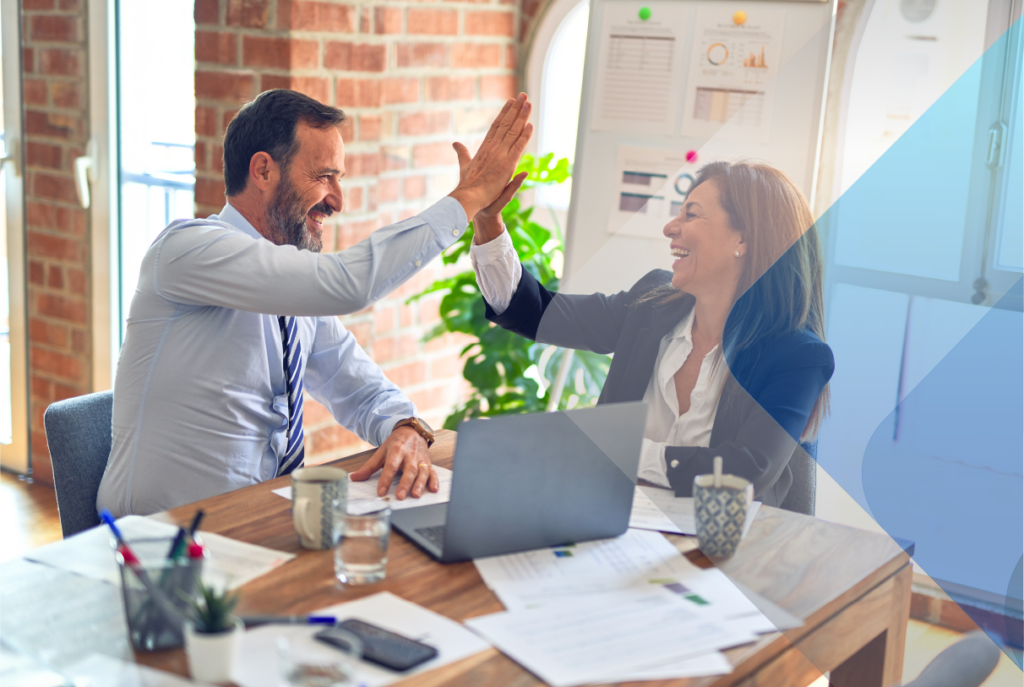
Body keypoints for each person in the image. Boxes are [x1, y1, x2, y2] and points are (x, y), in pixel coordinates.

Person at [97, 89, 533, 516]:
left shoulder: (292, 291)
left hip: (258, 525)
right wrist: (469, 197)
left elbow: (358, 386)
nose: (337, 200)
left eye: (338, 179)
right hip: (158, 544)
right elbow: (348, 284)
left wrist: (406, 427)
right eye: (325, 176)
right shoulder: (187, 250)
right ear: (263, 171)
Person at [469, 160, 833, 508]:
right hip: (613, 526)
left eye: (690, 214)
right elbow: (535, 313)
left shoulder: (798, 357)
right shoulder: (652, 304)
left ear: (744, 240)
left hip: (725, 555)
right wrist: (488, 223)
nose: (670, 227)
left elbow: (743, 472)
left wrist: (620, 451)